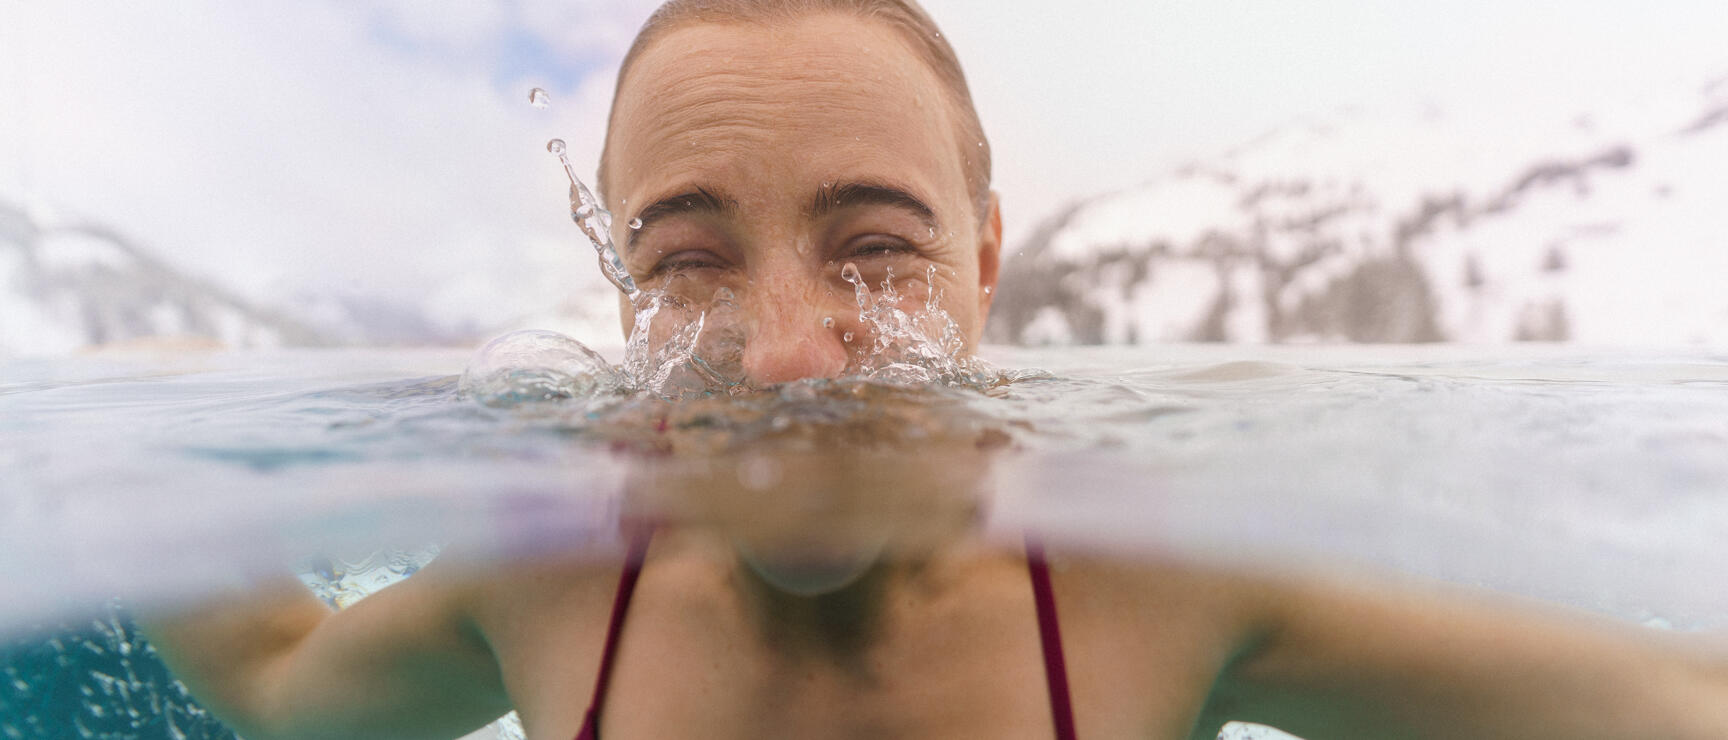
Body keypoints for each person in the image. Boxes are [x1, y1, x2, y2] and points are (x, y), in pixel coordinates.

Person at [141, 1, 1728, 738]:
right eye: (685, 257)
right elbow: (280, 681)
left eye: (876, 245)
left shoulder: (1141, 585)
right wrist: (154, 426)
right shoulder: (556, 589)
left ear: (981, 262)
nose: (781, 359)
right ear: (619, 284)